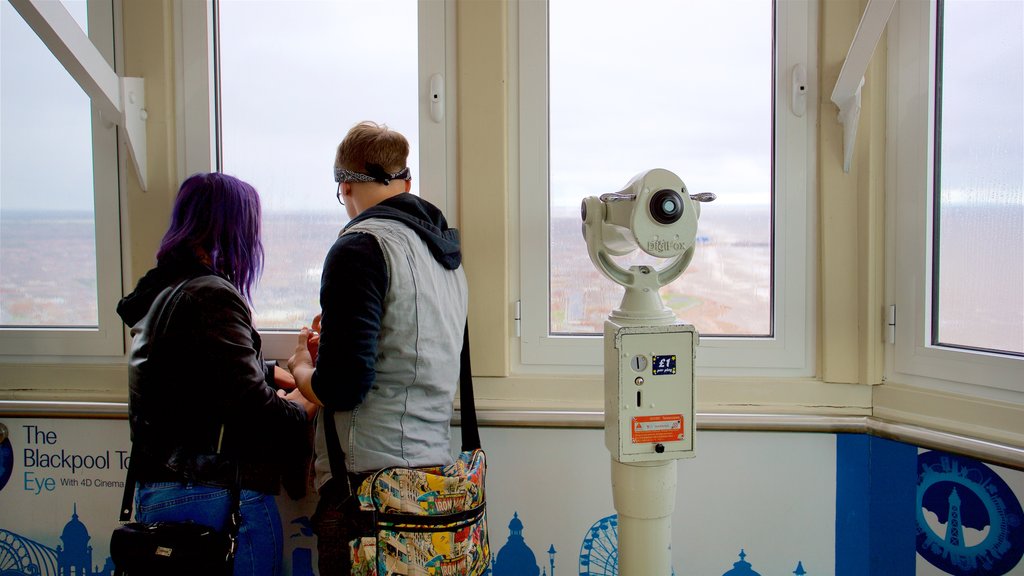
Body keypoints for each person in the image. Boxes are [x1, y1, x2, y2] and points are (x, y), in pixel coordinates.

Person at [287, 121, 469, 575]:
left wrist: (302, 365)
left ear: (344, 184)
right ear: (407, 182)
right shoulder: (444, 257)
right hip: (432, 481)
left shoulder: (359, 247)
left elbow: (342, 386)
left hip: (368, 492)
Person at [116, 172, 317, 576]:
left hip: (163, 491)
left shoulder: (166, 296)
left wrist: (275, 373)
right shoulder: (212, 297)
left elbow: (198, 377)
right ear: (234, 230)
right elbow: (260, 417)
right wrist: (311, 387)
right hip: (215, 499)